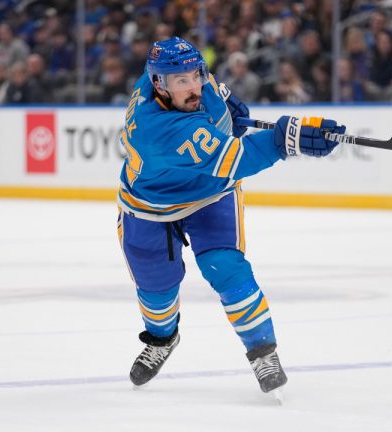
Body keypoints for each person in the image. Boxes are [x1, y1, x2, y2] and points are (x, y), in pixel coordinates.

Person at [116, 37, 345, 396]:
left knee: (227, 269)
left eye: (196, 75)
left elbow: (215, 97)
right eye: (182, 82)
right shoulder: (158, 129)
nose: (194, 86)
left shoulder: (170, 79)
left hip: (211, 194)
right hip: (149, 207)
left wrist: (226, 104)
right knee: (156, 292)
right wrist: (289, 140)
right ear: (159, 85)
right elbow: (237, 157)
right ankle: (162, 339)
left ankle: (262, 352)